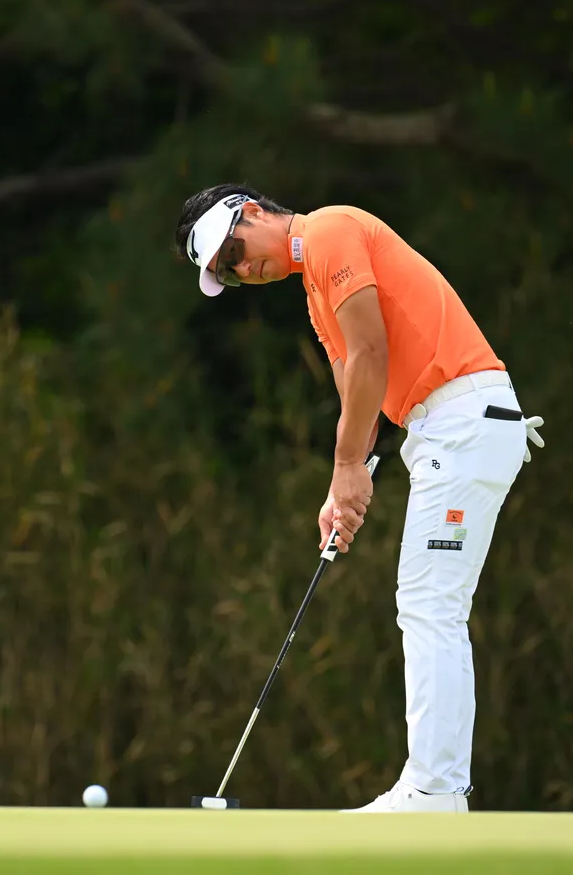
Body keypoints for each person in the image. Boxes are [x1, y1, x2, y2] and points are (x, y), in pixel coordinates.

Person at [174, 184, 544, 813]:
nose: (242, 269)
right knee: (431, 606)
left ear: (253, 212)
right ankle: (438, 789)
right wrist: (342, 487)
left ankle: (435, 789)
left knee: (430, 606)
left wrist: (349, 466)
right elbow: (359, 398)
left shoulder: (328, 231)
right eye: (228, 274)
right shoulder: (317, 296)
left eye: (233, 251)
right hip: (447, 430)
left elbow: (372, 352)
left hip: (461, 421)